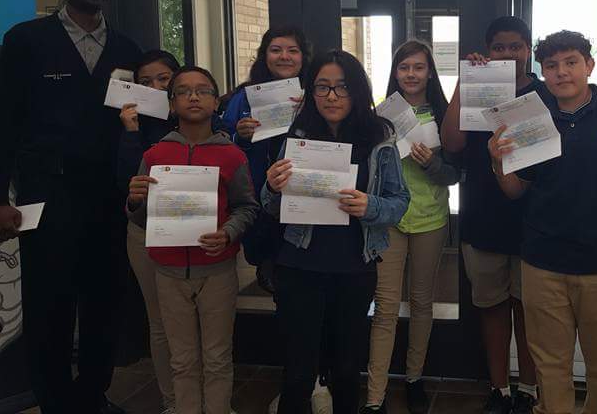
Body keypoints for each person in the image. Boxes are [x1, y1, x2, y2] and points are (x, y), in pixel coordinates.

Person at [0, 0, 142, 414]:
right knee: (49, 304)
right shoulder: (27, 39)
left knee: (104, 304)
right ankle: (54, 401)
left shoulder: (126, 49)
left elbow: (140, 122)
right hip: (46, 194)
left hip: (108, 197)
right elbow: (2, 123)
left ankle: (93, 395)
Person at [488, 30, 597, 414]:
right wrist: (498, 160)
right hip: (542, 265)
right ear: (542, 71)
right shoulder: (531, 116)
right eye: (551, 66)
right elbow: (515, 191)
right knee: (550, 366)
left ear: (589, 65)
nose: (561, 73)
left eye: (571, 62)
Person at [262, 49, 409, 414]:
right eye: (322, 87)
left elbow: (399, 201)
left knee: (346, 370)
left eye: (341, 88)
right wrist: (272, 187)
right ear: (311, 93)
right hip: (300, 264)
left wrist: (370, 206)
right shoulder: (297, 136)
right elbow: (269, 205)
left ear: (357, 91)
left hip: (355, 268)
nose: (331, 96)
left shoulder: (380, 138)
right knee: (298, 372)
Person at [127, 66, 259, 414]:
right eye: (183, 91)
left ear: (216, 102)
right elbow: (140, 218)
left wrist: (228, 232)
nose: (193, 96)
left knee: (217, 357)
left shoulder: (232, 155)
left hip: (217, 271)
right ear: (171, 105)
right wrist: (134, 201)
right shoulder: (154, 157)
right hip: (167, 272)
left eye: (202, 90)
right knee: (182, 359)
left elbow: (247, 206)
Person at [440, 16, 542, 414]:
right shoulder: (477, 90)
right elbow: (451, 141)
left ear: (527, 50)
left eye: (516, 46)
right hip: (482, 216)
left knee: (528, 310)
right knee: (491, 308)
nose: (507, 54)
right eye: (499, 47)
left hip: (533, 221)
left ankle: (529, 389)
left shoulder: (543, 94)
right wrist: (465, 82)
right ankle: (499, 389)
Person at [363, 40, 461, 414]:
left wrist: (431, 165)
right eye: (404, 67)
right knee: (386, 306)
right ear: (395, 72)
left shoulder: (443, 114)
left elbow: (453, 175)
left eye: (418, 67)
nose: (411, 74)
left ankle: (415, 378)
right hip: (388, 219)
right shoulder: (380, 116)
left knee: (422, 303)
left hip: (430, 220)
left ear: (430, 73)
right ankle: (375, 395)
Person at [117, 49, 182, 414]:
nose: (156, 87)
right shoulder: (131, 126)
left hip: (196, 233)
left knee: (201, 324)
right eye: (145, 82)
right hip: (145, 233)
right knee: (159, 323)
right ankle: (173, 402)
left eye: (163, 79)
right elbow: (125, 181)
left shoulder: (201, 118)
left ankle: (209, 398)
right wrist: (130, 131)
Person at [221, 25, 310, 266]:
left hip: (305, 197)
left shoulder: (315, 96)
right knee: (266, 262)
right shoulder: (243, 97)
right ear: (265, 56)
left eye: (293, 50)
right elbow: (221, 145)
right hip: (258, 197)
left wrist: (310, 112)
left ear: (303, 57)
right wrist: (240, 136)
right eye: (276, 50)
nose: (284, 56)